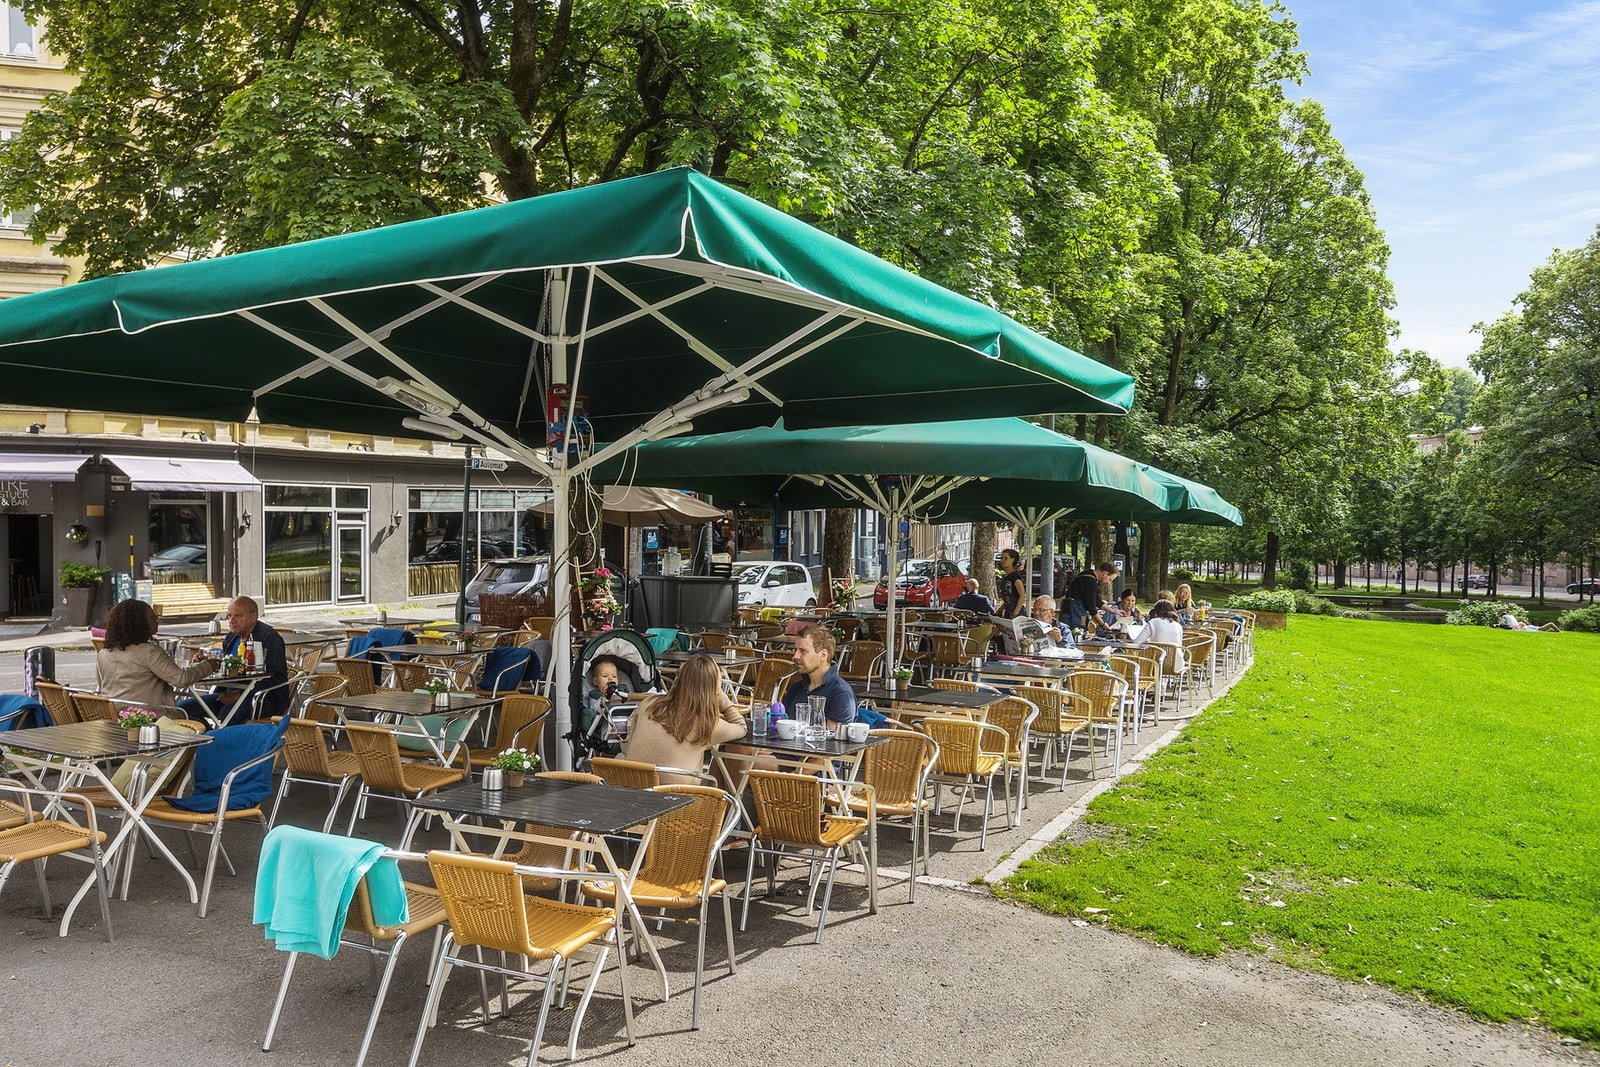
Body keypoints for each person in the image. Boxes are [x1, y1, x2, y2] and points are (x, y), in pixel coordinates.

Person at [622, 654, 747, 784]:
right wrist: (721, 697)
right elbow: (741, 726)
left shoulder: (648, 704)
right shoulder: (708, 724)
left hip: (630, 784)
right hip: (676, 797)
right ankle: (728, 804)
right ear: (714, 688)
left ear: (680, 678)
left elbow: (631, 743)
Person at [97, 599, 219, 712]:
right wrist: (208, 665)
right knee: (200, 724)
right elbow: (181, 679)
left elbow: (102, 686)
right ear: (139, 623)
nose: (157, 619)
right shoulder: (148, 651)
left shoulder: (104, 653)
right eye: (152, 617)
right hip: (150, 719)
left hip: (116, 716)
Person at [215, 596, 290, 719]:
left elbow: (276, 677)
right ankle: (210, 736)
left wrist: (239, 694)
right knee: (186, 707)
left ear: (253, 616)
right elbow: (227, 667)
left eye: (238, 616)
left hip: (263, 698)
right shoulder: (231, 637)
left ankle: (226, 737)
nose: (232, 620)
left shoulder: (268, 638)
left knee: (226, 713)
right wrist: (206, 663)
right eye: (229, 616)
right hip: (230, 694)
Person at [781, 623, 856, 725]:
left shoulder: (840, 693)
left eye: (803, 651)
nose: (795, 656)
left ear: (823, 655)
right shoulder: (795, 688)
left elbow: (834, 739)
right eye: (795, 650)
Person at [1065, 560, 1118, 634]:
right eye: (1109, 579)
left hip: (1071, 610)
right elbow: (1091, 606)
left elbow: (1095, 599)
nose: (1108, 582)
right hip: (1073, 614)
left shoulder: (1087, 575)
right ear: (1105, 574)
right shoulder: (1091, 582)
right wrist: (1102, 624)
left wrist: (1111, 610)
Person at [1136, 600, 1187, 669]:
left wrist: (1148, 643)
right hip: (1176, 664)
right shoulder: (1178, 625)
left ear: (1156, 612)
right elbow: (1179, 645)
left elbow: (1137, 642)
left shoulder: (1153, 622)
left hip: (1155, 664)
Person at [997, 548, 1027, 619]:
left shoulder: (1015, 577)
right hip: (1008, 611)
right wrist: (1002, 608)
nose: (1002, 561)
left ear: (1012, 560)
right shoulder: (1006, 577)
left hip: (1016, 613)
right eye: (1001, 558)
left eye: (1006, 558)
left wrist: (1015, 612)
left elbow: (1022, 595)